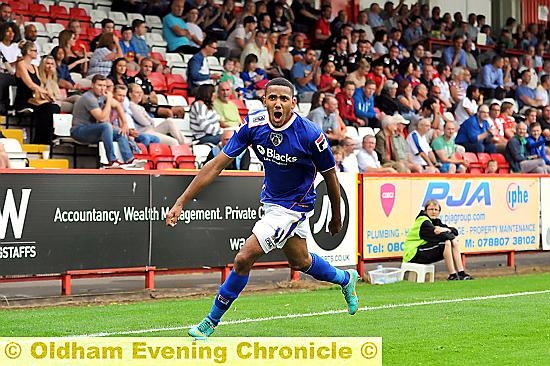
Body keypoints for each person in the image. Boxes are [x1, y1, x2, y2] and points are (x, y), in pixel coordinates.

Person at [166, 77, 359, 340]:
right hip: (272, 202)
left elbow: (330, 176)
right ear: (264, 101)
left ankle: (210, 322)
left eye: (284, 99)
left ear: (293, 103)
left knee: (244, 258)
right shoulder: (254, 126)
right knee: (300, 261)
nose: (278, 103)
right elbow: (216, 165)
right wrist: (181, 201)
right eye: (273, 98)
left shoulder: (310, 134)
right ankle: (346, 279)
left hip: (295, 206)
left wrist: (337, 216)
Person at [71, 75, 144, 168]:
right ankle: (112, 160)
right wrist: (109, 99)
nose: (102, 88)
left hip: (93, 130)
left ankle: (129, 160)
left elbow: (118, 105)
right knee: (106, 126)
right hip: (79, 131)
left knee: (120, 133)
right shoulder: (89, 98)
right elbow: (101, 118)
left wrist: (125, 124)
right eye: (99, 85)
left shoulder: (102, 96)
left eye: (104, 86)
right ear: (92, 85)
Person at [403, 199, 473, 281]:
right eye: (431, 209)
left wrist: (443, 229)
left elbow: (455, 231)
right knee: (446, 242)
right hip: (413, 254)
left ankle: (461, 273)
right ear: (425, 211)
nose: (434, 212)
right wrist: (445, 231)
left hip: (422, 251)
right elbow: (442, 236)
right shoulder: (423, 221)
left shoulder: (435, 221)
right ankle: (452, 275)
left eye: (436, 210)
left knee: (454, 241)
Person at [14, 41, 61, 144]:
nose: (36, 53)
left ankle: (44, 138)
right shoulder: (21, 64)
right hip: (24, 99)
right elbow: (30, 84)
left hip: (35, 99)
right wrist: (46, 93)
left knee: (53, 107)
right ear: (28, 51)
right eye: (34, 51)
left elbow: (39, 85)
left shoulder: (35, 67)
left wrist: (48, 96)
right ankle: (41, 140)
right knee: (48, 109)